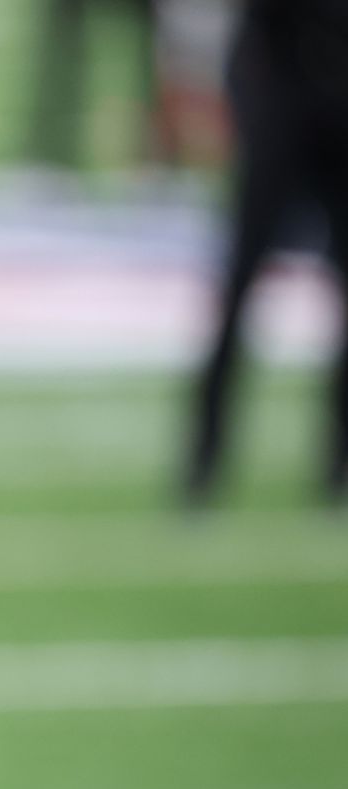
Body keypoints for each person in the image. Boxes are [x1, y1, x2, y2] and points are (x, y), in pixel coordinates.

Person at [186, 0, 348, 505]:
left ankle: (335, 468)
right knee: (238, 285)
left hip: (335, 103)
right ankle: (204, 463)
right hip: (281, 100)